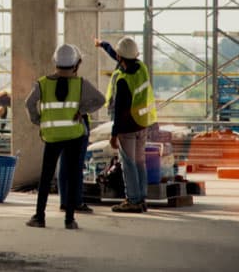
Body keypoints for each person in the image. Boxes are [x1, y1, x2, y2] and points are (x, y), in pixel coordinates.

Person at [24, 44, 105, 230]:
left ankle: (39, 217)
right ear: (76, 63)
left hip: (52, 136)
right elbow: (100, 100)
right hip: (74, 135)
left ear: (55, 61)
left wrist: (38, 120)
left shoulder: (42, 83)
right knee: (72, 175)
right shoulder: (81, 84)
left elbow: (29, 103)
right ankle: (69, 220)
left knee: (46, 177)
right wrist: (82, 110)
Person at [105, 36, 157, 213]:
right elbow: (123, 56)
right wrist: (104, 46)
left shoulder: (123, 80)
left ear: (120, 58)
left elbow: (119, 112)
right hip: (142, 123)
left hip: (127, 127)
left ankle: (133, 200)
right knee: (140, 162)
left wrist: (114, 134)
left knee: (129, 164)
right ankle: (141, 198)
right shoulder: (142, 68)